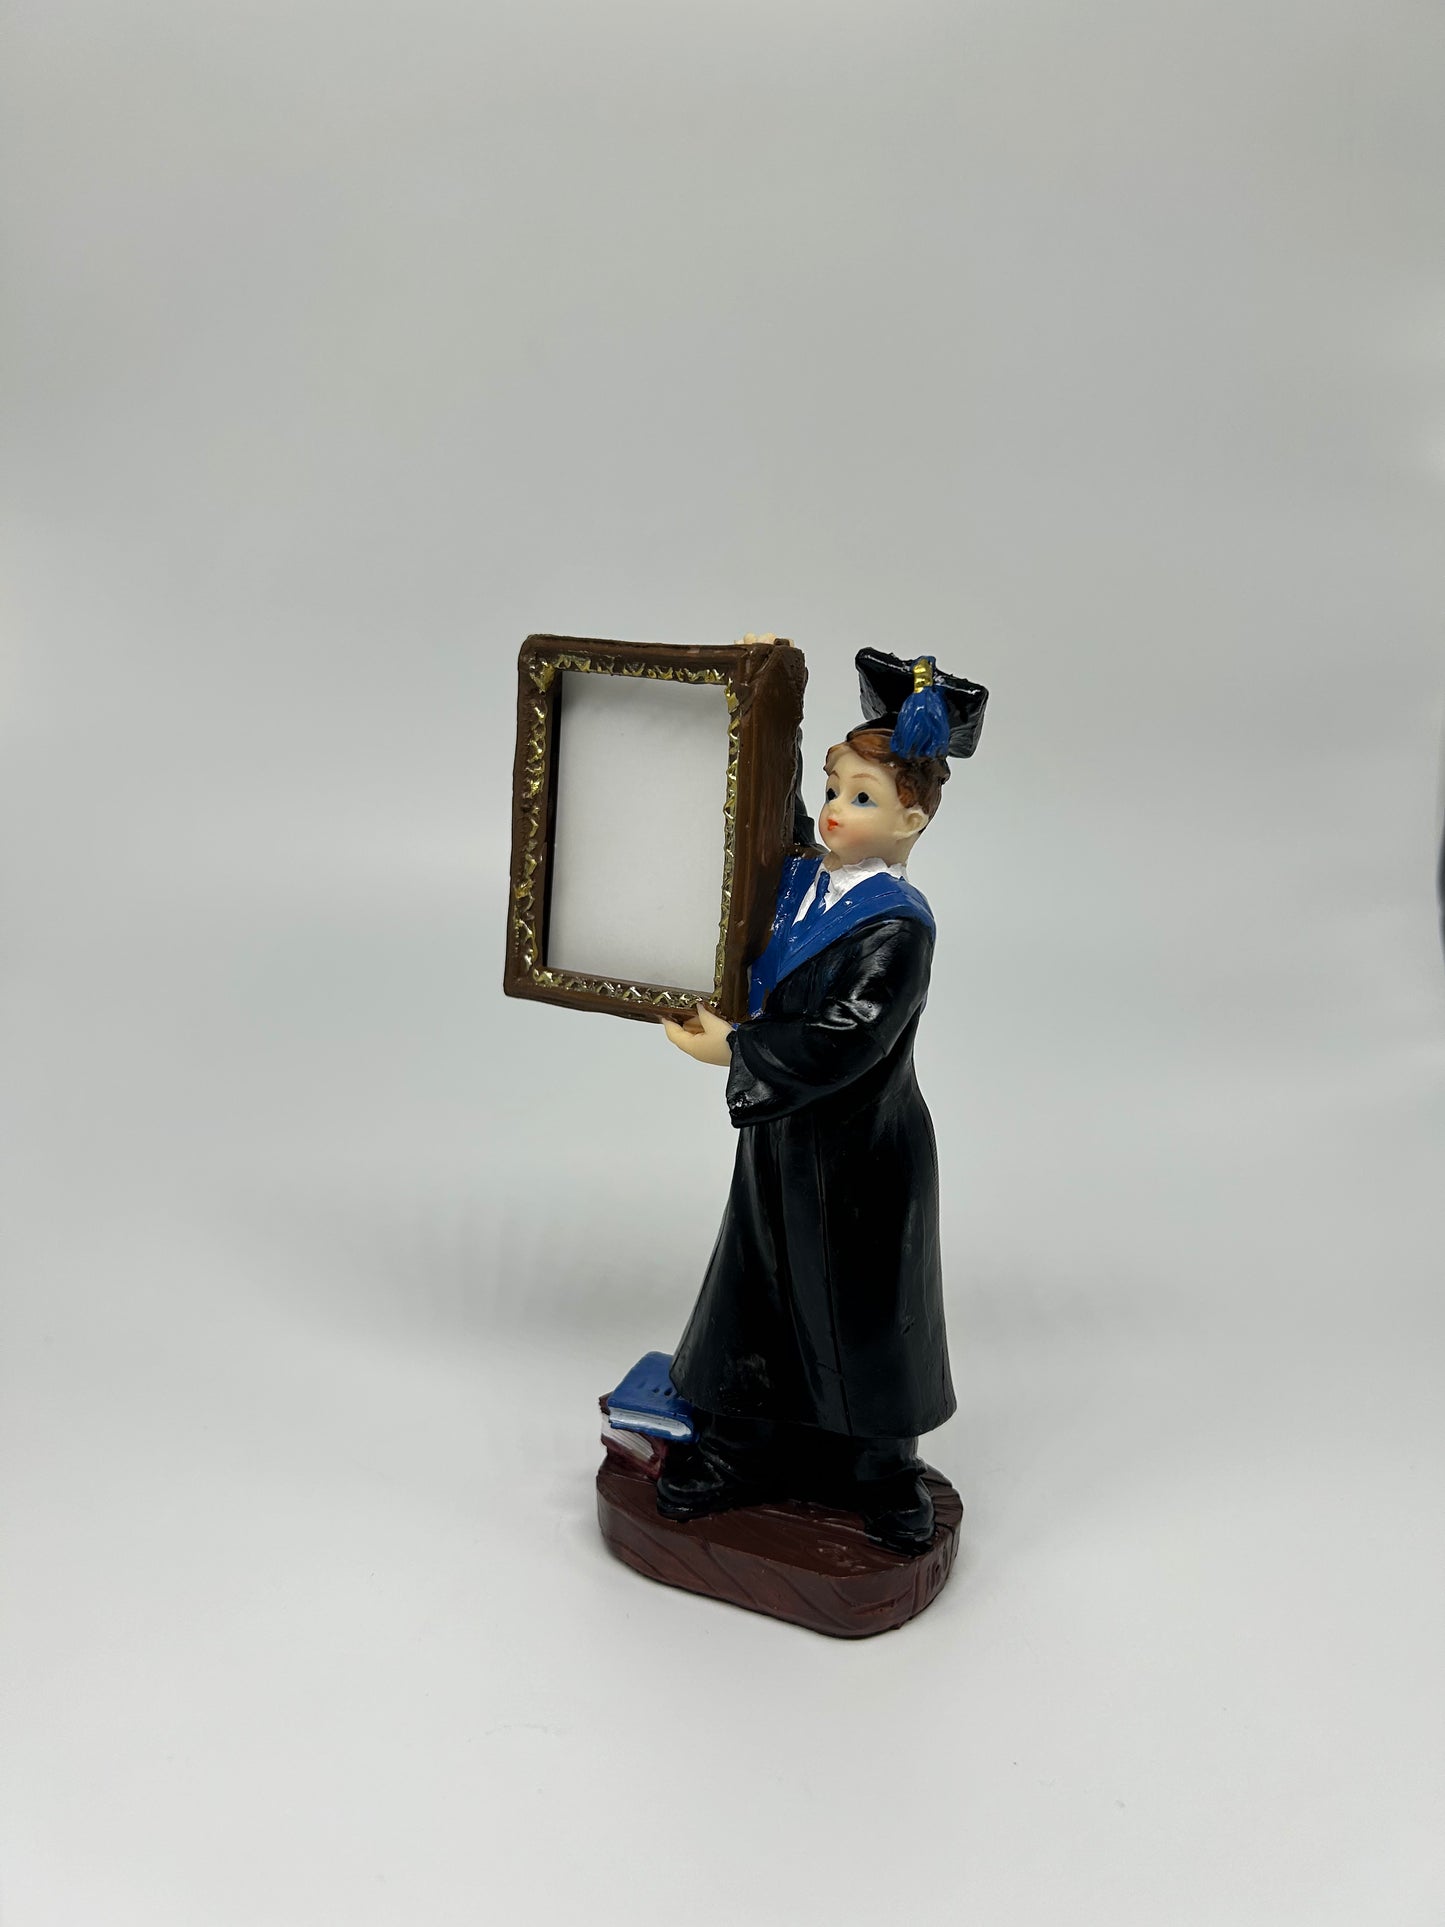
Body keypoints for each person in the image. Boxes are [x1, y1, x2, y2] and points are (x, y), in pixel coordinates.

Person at [658, 648, 988, 1554]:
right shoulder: (803, 877)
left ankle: (878, 1469)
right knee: (758, 1288)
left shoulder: (895, 927)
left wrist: (737, 1048)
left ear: (912, 818)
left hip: (860, 1151)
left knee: (862, 1309)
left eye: (863, 797)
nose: (835, 808)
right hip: (781, 1135)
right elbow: (757, 824)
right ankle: (741, 1445)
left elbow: (851, 1033)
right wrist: (761, 694)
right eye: (835, 788)